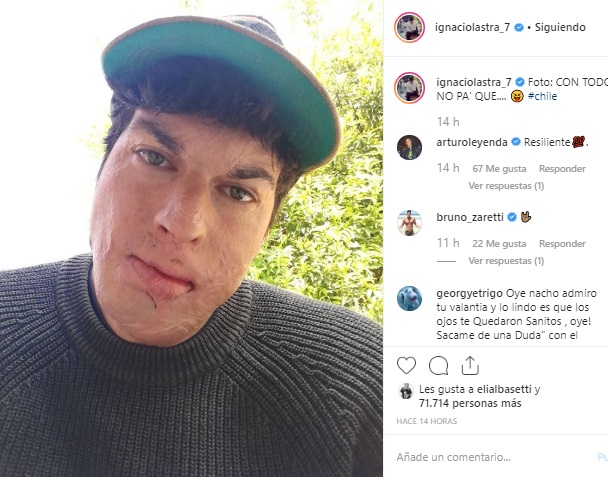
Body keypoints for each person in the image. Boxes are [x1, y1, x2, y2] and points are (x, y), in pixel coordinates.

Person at [0, 15, 382, 477]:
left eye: (238, 192)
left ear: (267, 229)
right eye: (154, 158)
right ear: (104, 164)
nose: (182, 224)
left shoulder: (365, 385)